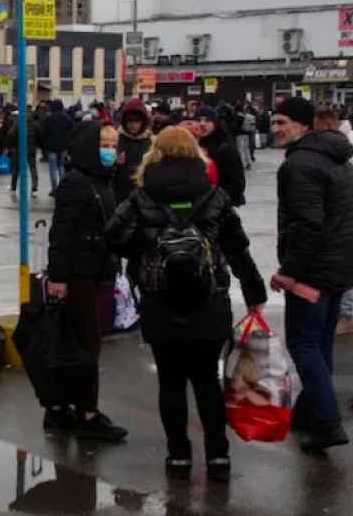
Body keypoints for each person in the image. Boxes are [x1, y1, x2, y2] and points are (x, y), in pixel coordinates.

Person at [105, 127, 266, 481]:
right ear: (196, 154)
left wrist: (144, 254)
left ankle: (178, 456)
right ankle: (218, 457)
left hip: (161, 302)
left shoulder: (141, 195)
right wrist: (254, 291)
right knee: (207, 380)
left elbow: (114, 235)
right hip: (209, 302)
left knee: (171, 382)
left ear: (154, 154)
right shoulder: (214, 195)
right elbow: (238, 247)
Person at [269, 97, 353, 453]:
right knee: (319, 343)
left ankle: (327, 421)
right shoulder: (336, 158)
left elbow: (307, 224)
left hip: (312, 273)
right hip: (338, 267)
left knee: (303, 343)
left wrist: (289, 273)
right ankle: (310, 410)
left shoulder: (300, 164)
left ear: (304, 126)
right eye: (273, 122)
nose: (275, 129)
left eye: (282, 122)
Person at [44, 120, 128, 441]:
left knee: (76, 343)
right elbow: (61, 233)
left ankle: (63, 407)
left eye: (113, 145)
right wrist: (58, 278)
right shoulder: (77, 183)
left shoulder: (100, 179)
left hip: (94, 270)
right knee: (86, 343)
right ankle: (87, 413)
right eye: (103, 145)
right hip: (78, 274)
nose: (110, 151)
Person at [195, 106, 245, 206]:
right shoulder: (192, 145)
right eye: (199, 120)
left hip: (219, 204)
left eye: (207, 120)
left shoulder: (225, 147)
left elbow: (236, 180)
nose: (202, 124)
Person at [5, 109, 41, 196]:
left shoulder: (18, 123)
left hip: (19, 148)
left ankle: (13, 187)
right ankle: (34, 188)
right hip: (31, 149)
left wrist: (14, 144)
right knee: (33, 169)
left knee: (15, 169)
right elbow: (40, 135)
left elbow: (10, 134)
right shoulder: (35, 125)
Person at [43, 100, 74, 191]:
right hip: (63, 146)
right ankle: (63, 188)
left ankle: (54, 188)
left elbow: (44, 132)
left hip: (51, 146)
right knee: (61, 167)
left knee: (52, 169)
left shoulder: (48, 118)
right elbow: (72, 130)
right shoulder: (67, 118)